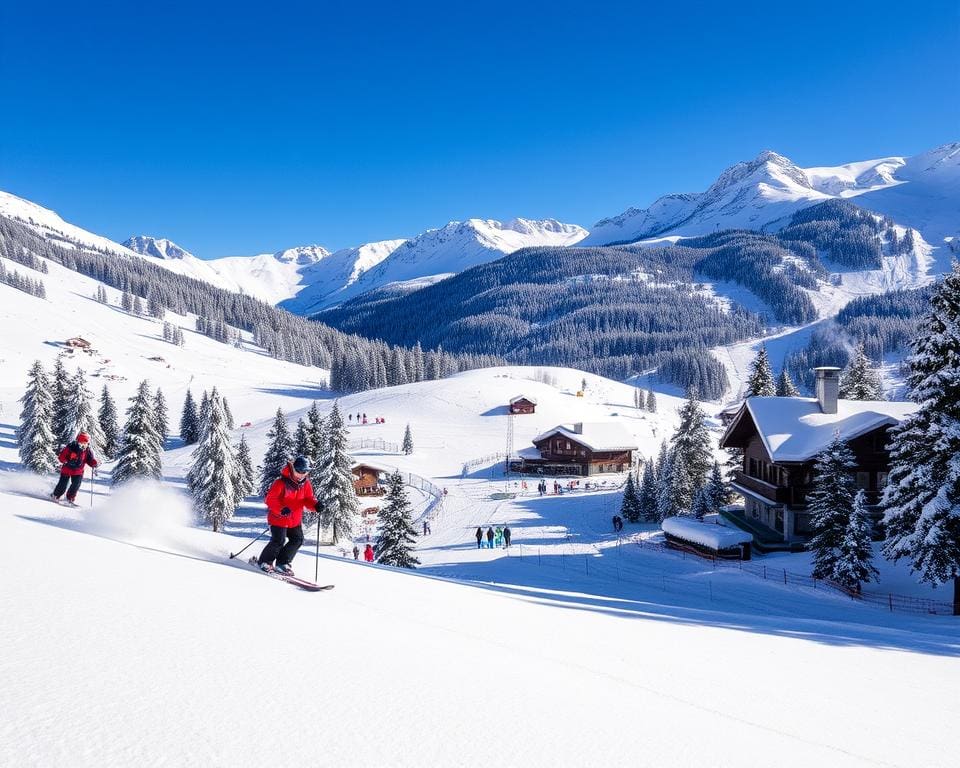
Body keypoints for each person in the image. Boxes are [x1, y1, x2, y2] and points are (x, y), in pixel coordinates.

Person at [257, 455, 317, 575]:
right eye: (300, 471)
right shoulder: (280, 483)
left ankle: (282, 563)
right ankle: (265, 561)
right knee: (279, 540)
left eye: (305, 471)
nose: (302, 474)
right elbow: (270, 499)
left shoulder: (306, 484)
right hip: (279, 518)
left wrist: (315, 505)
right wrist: (281, 509)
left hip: (294, 519)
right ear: (293, 469)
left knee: (297, 539)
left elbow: (308, 499)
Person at [51, 432, 98, 505]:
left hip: (78, 471)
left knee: (76, 485)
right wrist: (67, 460)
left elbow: (90, 460)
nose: (83, 445)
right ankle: (56, 495)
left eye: (85, 443)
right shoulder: (71, 447)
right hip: (67, 469)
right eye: (81, 442)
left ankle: (70, 499)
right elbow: (61, 457)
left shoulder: (87, 451)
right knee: (62, 485)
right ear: (78, 441)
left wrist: (93, 463)